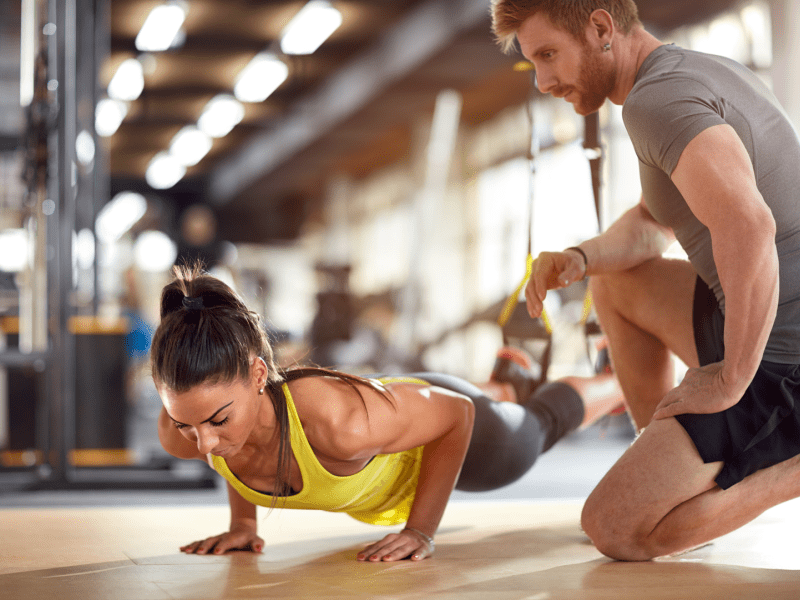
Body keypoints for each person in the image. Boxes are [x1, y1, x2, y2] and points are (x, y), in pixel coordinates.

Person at [490, 0, 800, 561]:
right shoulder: (689, 72)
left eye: (548, 55)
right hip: (763, 313)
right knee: (614, 284)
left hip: (786, 354)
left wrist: (730, 378)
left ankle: (786, 470)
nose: (542, 80)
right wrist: (581, 258)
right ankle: (667, 463)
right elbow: (658, 221)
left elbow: (751, 225)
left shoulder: (657, 102)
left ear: (602, 27)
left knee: (615, 528)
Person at [151, 265, 623, 562]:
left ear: (258, 376)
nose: (204, 444)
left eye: (217, 421)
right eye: (185, 423)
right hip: (399, 410)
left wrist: (421, 531)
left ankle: (615, 376)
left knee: (532, 433)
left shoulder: (336, 424)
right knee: (209, 430)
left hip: (458, 432)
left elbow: (457, 415)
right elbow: (241, 450)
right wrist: (243, 526)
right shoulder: (187, 430)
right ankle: (508, 383)